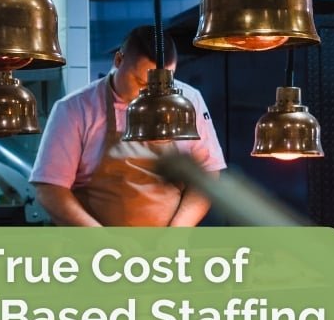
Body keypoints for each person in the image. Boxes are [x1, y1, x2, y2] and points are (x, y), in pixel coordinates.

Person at [30, 25, 226, 227]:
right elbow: (50, 188)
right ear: (118, 60)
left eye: (164, 84)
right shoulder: (74, 108)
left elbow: (207, 172)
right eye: (141, 82)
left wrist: (178, 231)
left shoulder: (189, 101)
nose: (151, 94)